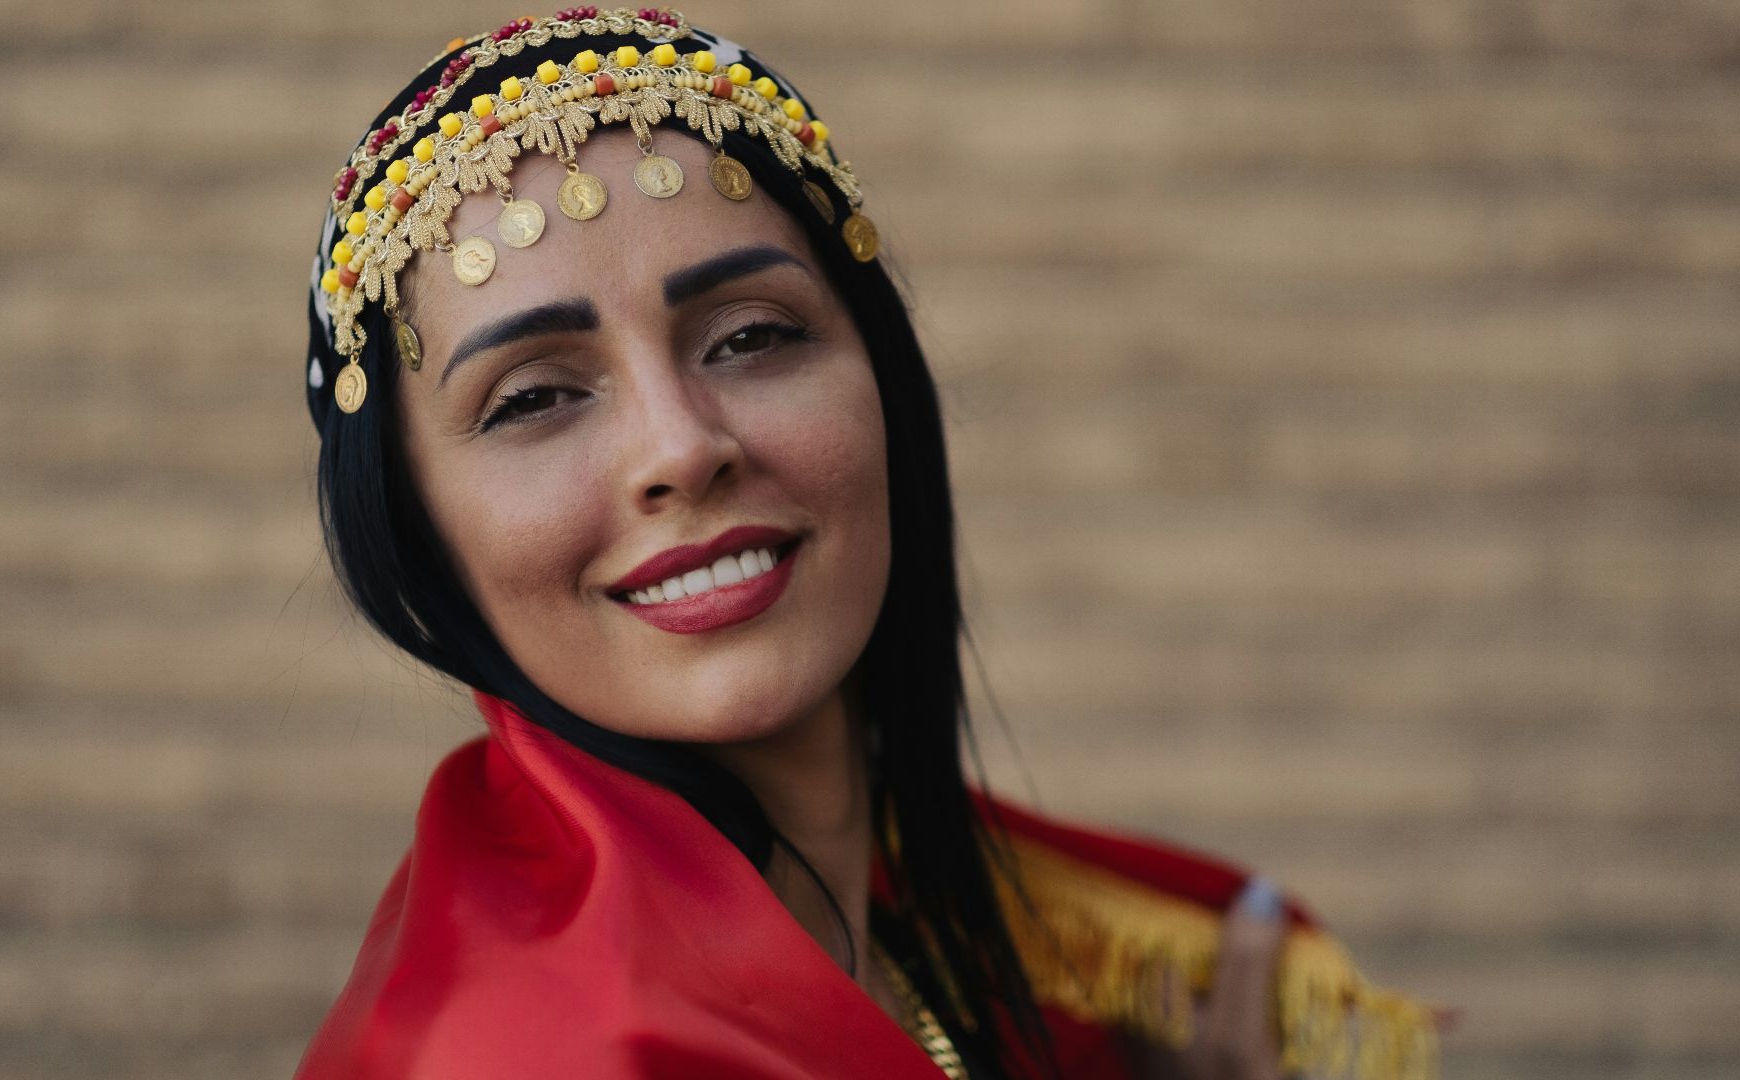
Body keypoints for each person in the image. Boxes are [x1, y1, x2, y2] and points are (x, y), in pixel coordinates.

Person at [294, 9, 1440, 1078]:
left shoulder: (1002, 954)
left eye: (752, 338)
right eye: (535, 399)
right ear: (411, 524)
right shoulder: (519, 1050)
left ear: (883, 381)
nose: (681, 448)